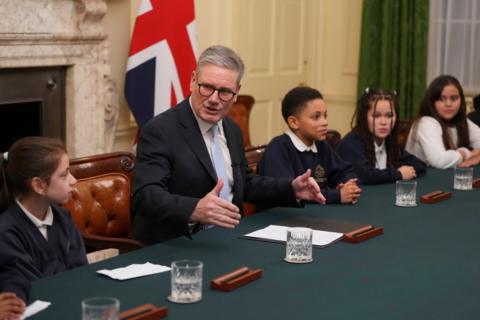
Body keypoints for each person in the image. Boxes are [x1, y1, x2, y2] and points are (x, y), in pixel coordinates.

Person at [132, 45, 326, 244]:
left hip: (230, 239)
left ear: (236, 93)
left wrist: (291, 189)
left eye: (225, 91)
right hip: (180, 243)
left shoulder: (231, 129)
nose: (214, 99)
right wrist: (194, 209)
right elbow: (145, 196)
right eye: (207, 87)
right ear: (192, 81)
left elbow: (245, 183)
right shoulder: (161, 131)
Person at [0, 137, 88, 302]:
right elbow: (35, 286)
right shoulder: (6, 232)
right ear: (39, 185)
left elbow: (80, 271)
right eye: (64, 175)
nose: (73, 180)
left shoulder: (64, 218)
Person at [257, 86, 361, 204]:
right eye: (316, 117)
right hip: (284, 220)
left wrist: (349, 185)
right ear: (294, 122)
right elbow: (290, 193)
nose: (325, 122)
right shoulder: (278, 148)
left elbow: (345, 171)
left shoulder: (322, 145)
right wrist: (337, 196)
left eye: (325, 116)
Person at [336, 88, 426, 185]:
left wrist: (393, 170)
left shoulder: (389, 142)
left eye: (389, 115)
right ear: (364, 117)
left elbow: (419, 165)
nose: (384, 122)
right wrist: (398, 174)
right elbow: (364, 176)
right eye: (376, 116)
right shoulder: (352, 143)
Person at [406, 75, 480, 168]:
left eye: (454, 98)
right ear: (432, 102)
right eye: (442, 99)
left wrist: (476, 158)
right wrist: (465, 153)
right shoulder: (426, 122)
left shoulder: (462, 121)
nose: (448, 104)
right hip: (419, 180)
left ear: (461, 100)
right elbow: (439, 161)